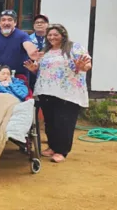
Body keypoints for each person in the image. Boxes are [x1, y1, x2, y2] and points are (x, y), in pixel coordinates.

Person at [26, 24, 91, 163]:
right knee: (50, 122)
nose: (52, 37)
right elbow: (42, 69)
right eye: (49, 35)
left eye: (55, 34)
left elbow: (86, 64)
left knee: (64, 122)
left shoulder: (74, 47)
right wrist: (33, 69)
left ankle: (62, 151)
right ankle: (52, 146)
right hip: (46, 91)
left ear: (63, 34)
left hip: (68, 92)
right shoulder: (45, 51)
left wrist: (82, 66)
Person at [0, 10, 39, 79]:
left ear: (15, 23)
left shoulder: (22, 35)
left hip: (19, 77)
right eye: (3, 20)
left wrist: (33, 53)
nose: (6, 23)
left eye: (10, 20)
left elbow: (28, 46)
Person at [28, 14, 49, 89]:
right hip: (31, 69)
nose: (39, 24)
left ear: (47, 25)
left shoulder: (51, 38)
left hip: (47, 69)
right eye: (37, 22)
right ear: (33, 25)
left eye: (42, 22)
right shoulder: (28, 39)